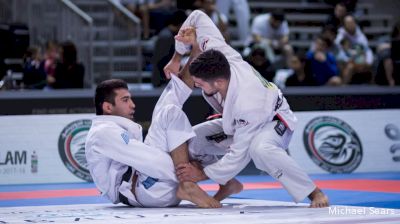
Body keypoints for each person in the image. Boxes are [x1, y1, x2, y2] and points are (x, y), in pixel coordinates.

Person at [164, 10, 329, 208]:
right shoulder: (217, 53)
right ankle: (228, 185)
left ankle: (315, 193)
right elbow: (197, 16)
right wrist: (177, 55)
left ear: (218, 82)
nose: (196, 86)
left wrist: (202, 173)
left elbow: (239, 155)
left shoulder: (248, 102)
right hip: (239, 122)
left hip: (274, 122)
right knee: (191, 140)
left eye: (199, 83)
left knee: (260, 149)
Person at [85, 77, 228, 208]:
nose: (132, 105)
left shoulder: (112, 128)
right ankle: (189, 186)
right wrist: (192, 174)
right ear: (108, 107)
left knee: (183, 131)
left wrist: (184, 53)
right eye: (125, 100)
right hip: (148, 189)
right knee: (169, 112)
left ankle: (225, 183)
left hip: (156, 187)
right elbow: (151, 161)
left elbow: (171, 97)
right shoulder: (103, 132)